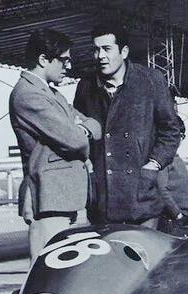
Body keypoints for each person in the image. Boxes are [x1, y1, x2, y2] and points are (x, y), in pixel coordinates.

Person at [73, 23, 182, 228]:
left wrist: (153, 165)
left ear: (124, 52)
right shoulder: (86, 87)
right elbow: (80, 134)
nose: (100, 56)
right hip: (103, 200)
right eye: (96, 49)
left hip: (142, 198)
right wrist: (89, 169)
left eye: (107, 49)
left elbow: (171, 130)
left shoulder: (150, 80)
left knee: (144, 248)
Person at [9, 29, 101, 257]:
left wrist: (80, 129)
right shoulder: (28, 95)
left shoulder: (53, 95)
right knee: (47, 270)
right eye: (64, 60)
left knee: (61, 269)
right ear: (43, 59)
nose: (68, 66)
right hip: (47, 199)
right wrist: (79, 130)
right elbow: (76, 141)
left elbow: (95, 126)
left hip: (62, 197)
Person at [157, 155, 188, 232]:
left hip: (183, 215)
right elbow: (161, 190)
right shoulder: (165, 161)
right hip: (173, 217)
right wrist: (177, 213)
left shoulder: (177, 159)